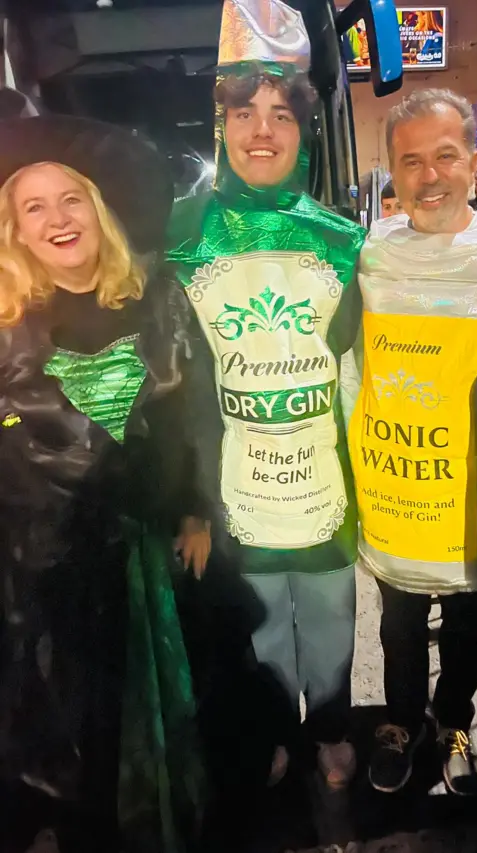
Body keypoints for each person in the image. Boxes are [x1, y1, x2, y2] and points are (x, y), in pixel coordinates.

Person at [167, 0, 365, 791]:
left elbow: (362, 368)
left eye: (280, 113)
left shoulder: (343, 239)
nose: (261, 130)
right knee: (258, 631)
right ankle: (276, 730)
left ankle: (331, 732)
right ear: (220, 122)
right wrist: (189, 503)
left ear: (303, 129)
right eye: (244, 111)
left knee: (330, 623)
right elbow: (177, 387)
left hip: (323, 477)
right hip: (234, 487)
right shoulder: (181, 238)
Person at [0, 116, 209, 853]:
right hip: (42, 568)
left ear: (98, 208)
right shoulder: (5, 322)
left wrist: (195, 511)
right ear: (17, 230)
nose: (57, 218)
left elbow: (193, 416)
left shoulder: (158, 295)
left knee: (153, 715)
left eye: (71, 198)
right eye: (34, 206)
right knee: (68, 730)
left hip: (145, 553)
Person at [348, 88, 477, 796]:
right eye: (411, 161)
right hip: (400, 484)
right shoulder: (374, 252)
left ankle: (459, 728)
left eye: (445, 155)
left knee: (469, 629)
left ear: (475, 161)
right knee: (399, 626)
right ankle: (403, 726)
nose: (429, 175)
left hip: (473, 486)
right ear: (392, 174)